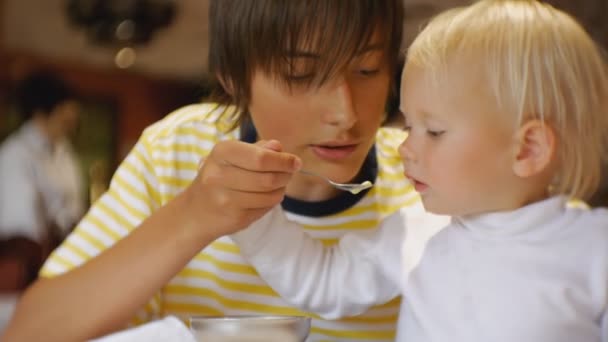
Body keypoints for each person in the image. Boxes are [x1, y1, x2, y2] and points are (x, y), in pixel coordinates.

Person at [2, 1, 415, 341]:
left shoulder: (426, 176)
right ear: (233, 78)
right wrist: (191, 216)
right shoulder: (178, 150)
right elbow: (28, 333)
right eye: (301, 74)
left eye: (367, 69)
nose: (346, 113)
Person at [228, 1, 608, 341]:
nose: (404, 148)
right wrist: (246, 209)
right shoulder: (415, 233)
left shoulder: (596, 249)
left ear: (529, 149)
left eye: (435, 131)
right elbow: (321, 281)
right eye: (408, 126)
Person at [0, 70, 84, 290]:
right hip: (29, 273)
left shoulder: (65, 152)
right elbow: (23, 231)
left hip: (65, 264)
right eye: (64, 112)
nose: (72, 120)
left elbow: (74, 207)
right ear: (40, 113)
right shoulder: (15, 156)